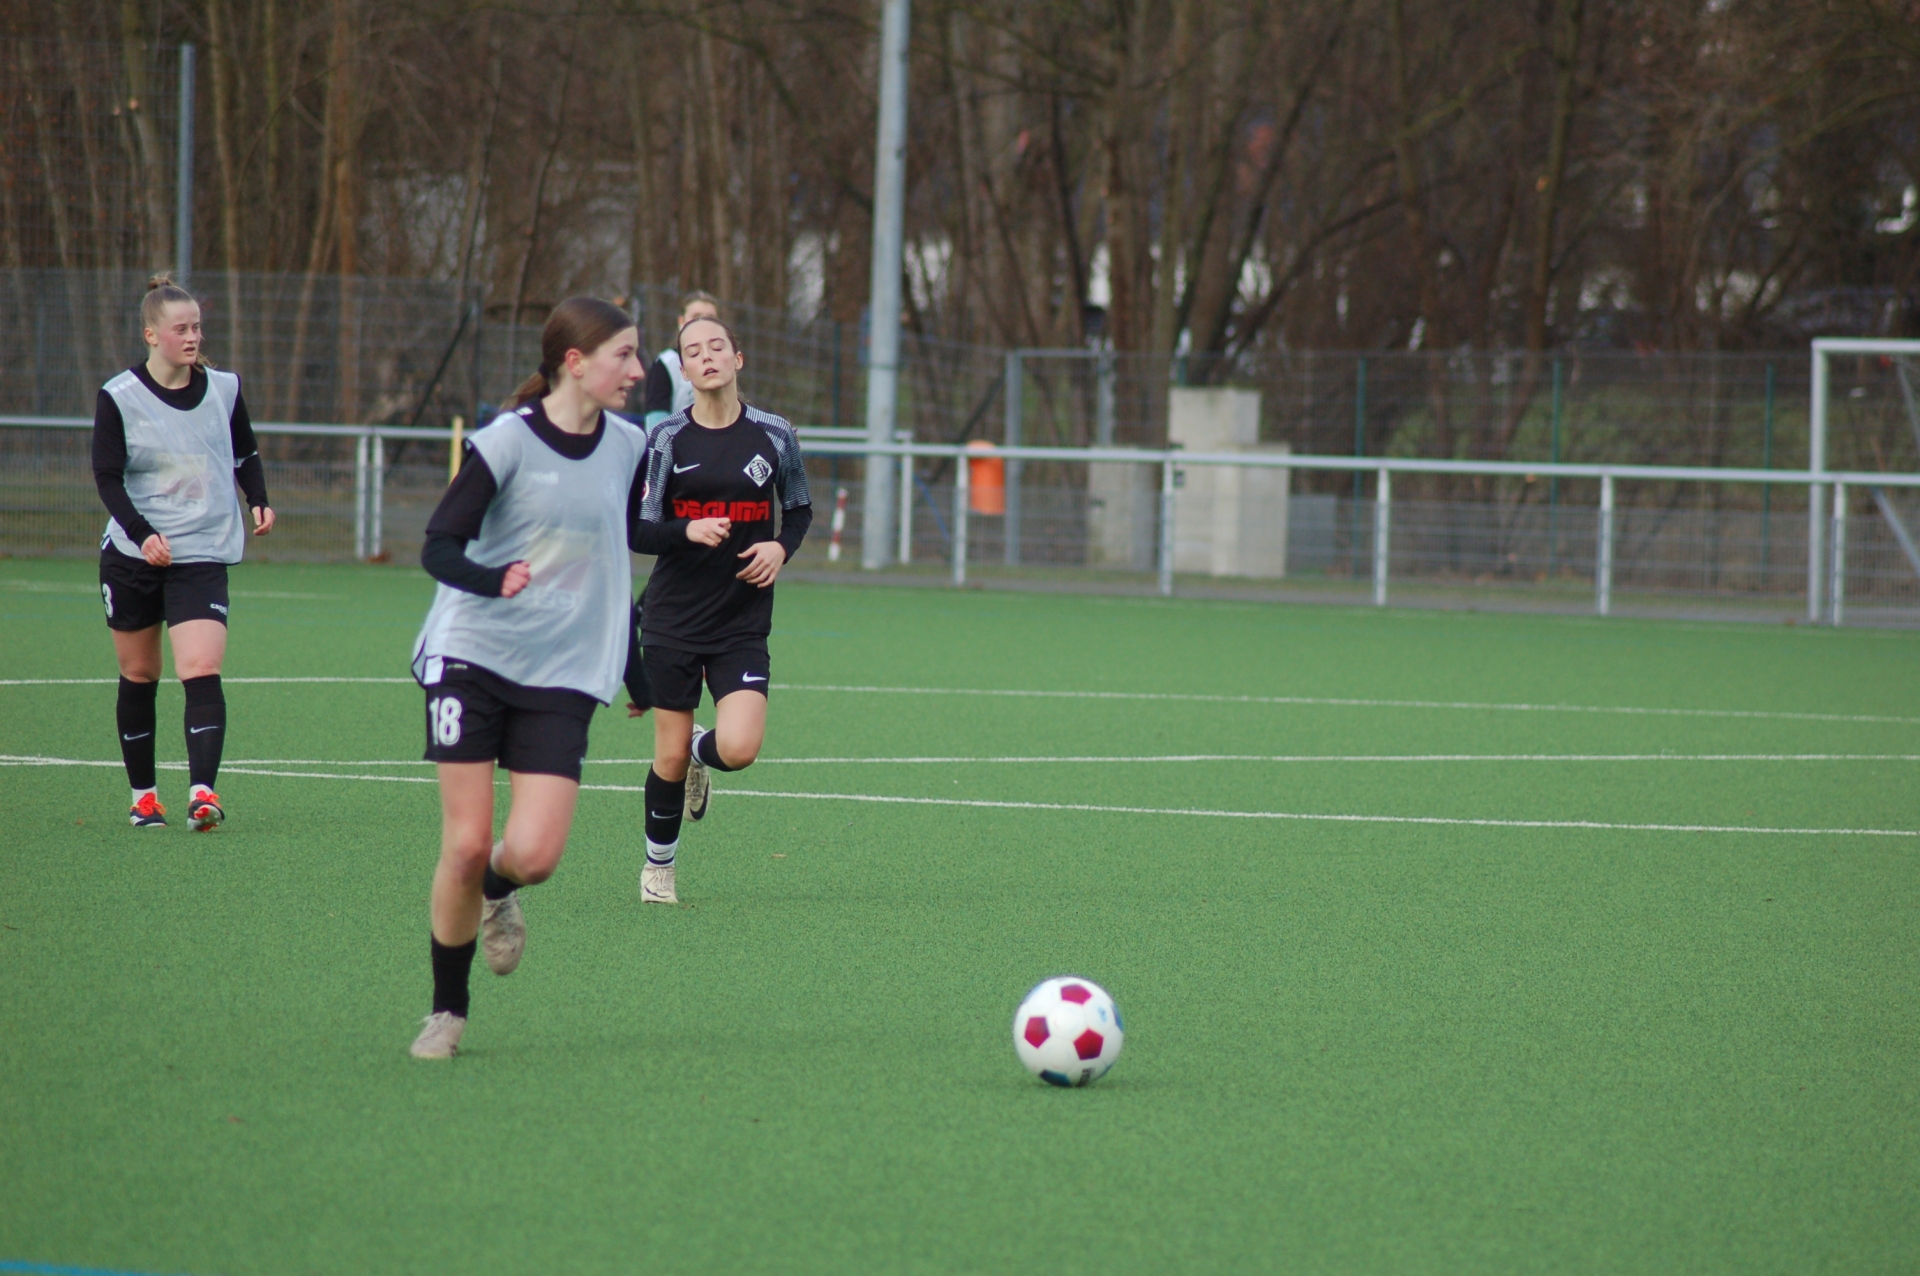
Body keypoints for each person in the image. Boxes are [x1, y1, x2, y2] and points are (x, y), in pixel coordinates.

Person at [408, 297, 648, 1060]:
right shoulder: (506, 441)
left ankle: (499, 890)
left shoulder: (629, 445)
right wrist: (494, 580)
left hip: (563, 670)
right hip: (472, 656)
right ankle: (447, 1011)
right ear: (575, 362)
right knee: (466, 842)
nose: (638, 371)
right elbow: (438, 546)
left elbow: (614, 556)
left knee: (534, 856)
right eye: (624, 355)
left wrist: (638, 671)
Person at [629, 315, 811, 905]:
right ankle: (658, 869)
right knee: (665, 756)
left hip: (741, 620)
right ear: (683, 370)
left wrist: (781, 547)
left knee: (738, 748)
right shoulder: (666, 439)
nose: (706, 356)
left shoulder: (775, 434)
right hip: (673, 619)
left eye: (716, 346)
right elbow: (638, 530)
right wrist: (688, 530)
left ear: (738, 358)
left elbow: (799, 509)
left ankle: (699, 752)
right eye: (693, 351)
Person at [93, 274, 275, 832]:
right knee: (140, 672)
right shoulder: (119, 396)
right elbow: (107, 475)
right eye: (181, 329)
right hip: (135, 553)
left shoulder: (224, 389)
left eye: (197, 327)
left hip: (201, 551)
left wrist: (258, 498)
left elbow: (245, 452)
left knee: (201, 666)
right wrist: (142, 532)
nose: (193, 337)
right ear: (152, 335)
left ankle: (202, 793)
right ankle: (144, 798)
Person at [640, 290, 720, 429]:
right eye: (696, 316)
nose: (703, 323)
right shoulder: (666, 363)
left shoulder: (725, 361)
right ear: (681, 321)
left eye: (710, 318)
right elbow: (655, 425)